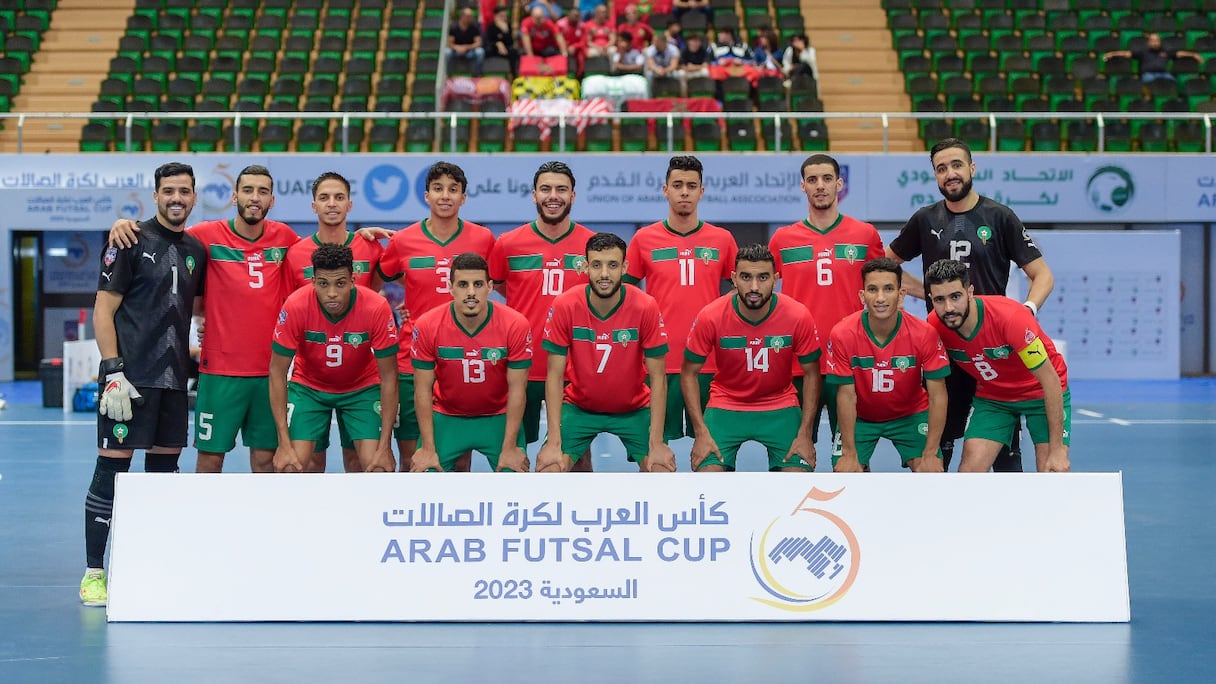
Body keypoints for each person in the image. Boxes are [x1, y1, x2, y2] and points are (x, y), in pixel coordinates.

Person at [108, 165, 301, 474]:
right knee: (210, 461)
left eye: (262, 191)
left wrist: (360, 235)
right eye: (248, 190)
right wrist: (123, 224)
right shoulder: (204, 237)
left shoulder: (286, 238)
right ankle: (207, 523)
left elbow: (321, 256)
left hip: (269, 373)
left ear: (272, 200)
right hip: (219, 372)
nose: (255, 198)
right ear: (235, 195)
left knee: (266, 460)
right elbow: (162, 233)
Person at [885, 137, 1054, 472]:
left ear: (972, 168)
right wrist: (928, 296)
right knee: (936, 449)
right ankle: (938, 520)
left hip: (996, 350)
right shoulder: (925, 220)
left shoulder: (999, 217)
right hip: (945, 349)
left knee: (1006, 461)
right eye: (942, 168)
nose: (950, 174)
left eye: (957, 165)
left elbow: (1043, 275)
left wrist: (1026, 310)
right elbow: (885, 267)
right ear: (935, 175)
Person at [81, 162, 207, 607]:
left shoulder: (197, 248)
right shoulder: (128, 240)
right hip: (128, 383)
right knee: (111, 472)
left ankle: (155, 568)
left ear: (194, 197)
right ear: (155, 195)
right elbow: (103, 311)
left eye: (185, 191)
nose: (177, 198)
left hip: (174, 384)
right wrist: (113, 371)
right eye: (169, 190)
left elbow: (199, 310)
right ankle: (95, 572)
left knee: (162, 480)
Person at [376, 161, 495, 472]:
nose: (445, 196)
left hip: (463, 357)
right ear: (426, 195)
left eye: (453, 190)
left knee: (458, 458)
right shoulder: (403, 240)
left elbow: (497, 286)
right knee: (411, 457)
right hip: (412, 358)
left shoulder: (483, 239)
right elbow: (379, 277)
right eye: (438, 189)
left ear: (463, 197)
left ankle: (455, 517)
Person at [769, 154, 883, 451]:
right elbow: (756, 292)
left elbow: (887, 285)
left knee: (853, 456)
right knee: (794, 456)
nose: (820, 186)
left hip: (850, 361)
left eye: (827, 179)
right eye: (812, 180)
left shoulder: (865, 235)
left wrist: (929, 293)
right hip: (797, 362)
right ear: (802, 186)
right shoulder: (782, 239)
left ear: (839, 184)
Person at [536, 232, 675, 473]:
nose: (604, 274)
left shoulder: (645, 306)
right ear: (585, 267)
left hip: (634, 409)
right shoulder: (565, 305)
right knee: (550, 468)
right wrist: (554, 442)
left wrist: (657, 442)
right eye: (596, 265)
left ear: (624, 268)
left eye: (612, 265)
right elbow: (555, 376)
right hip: (579, 408)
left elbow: (659, 379)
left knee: (661, 469)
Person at [624, 156, 737, 448]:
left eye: (691, 185)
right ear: (665, 190)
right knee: (652, 454)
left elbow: (744, 295)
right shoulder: (643, 239)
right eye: (677, 185)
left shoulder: (722, 240)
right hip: (659, 362)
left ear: (702, 191)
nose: (684, 191)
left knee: (714, 452)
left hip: (710, 363)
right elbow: (623, 299)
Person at [488, 161, 596, 467]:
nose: (553, 196)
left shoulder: (591, 245)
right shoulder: (508, 244)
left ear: (573, 195)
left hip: (573, 369)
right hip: (521, 367)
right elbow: (496, 286)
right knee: (512, 455)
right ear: (534, 195)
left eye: (561, 189)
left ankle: (583, 512)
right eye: (546, 189)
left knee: (574, 456)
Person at [681, 244, 821, 472]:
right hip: (726, 403)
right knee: (707, 478)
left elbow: (812, 373)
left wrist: (805, 434)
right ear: (734, 278)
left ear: (775, 279)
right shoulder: (711, 316)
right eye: (746, 277)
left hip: (780, 404)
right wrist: (701, 433)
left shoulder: (797, 315)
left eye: (763, 277)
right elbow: (688, 372)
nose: (754, 286)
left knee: (797, 482)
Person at [924, 259, 1070, 473]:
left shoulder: (1010, 319)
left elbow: (1049, 381)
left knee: (1052, 471)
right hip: (994, 399)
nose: (949, 308)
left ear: (970, 291)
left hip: (1039, 393)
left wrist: (1057, 450)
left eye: (955, 297)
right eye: (939, 299)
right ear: (931, 299)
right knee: (969, 473)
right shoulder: (936, 326)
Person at [284, 171, 384, 473]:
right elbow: (290, 306)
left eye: (339, 197)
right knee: (310, 461)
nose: (332, 204)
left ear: (349, 205)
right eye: (324, 198)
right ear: (313, 205)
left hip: (360, 373)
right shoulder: (294, 253)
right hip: (311, 374)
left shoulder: (370, 247)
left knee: (357, 460)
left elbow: (378, 294)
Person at [269, 244, 399, 474]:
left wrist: (385, 445)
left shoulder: (376, 307)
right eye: (323, 284)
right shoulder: (296, 305)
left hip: (361, 388)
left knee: (377, 467)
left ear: (353, 280)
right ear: (313, 281)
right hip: (309, 388)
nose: (331, 293)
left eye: (340, 283)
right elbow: (277, 373)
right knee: (290, 466)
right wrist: (283, 443)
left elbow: (389, 377)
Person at [410, 253, 533, 473]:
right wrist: (428, 448)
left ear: (490, 287)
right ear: (450, 287)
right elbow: (422, 389)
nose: (471, 293)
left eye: (478, 284)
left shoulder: (515, 324)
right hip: (447, 417)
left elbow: (518, 389)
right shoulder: (428, 325)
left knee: (514, 477)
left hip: (498, 417)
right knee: (425, 478)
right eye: (463, 284)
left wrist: (510, 447)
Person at [825, 258, 949, 473]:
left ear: (901, 295)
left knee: (930, 472)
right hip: (861, 418)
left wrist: (930, 453)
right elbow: (846, 396)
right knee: (845, 472)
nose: (880, 298)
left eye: (889, 289)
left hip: (911, 415)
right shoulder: (842, 334)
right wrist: (849, 453)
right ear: (862, 296)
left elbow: (938, 396)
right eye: (873, 289)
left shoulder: (924, 333)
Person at [1103, 32, 1204, 84]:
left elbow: (1179, 53)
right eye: (1153, 40)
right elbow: (1126, 53)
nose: (1155, 42)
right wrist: (1112, 54)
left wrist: (1193, 55)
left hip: (1163, 74)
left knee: (1173, 82)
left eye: (1157, 40)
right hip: (1149, 75)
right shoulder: (1142, 52)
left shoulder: (1166, 51)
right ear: (1149, 42)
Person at [447, 7, 485, 76]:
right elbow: (449, 43)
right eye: (468, 16)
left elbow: (478, 43)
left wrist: (466, 47)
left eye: (471, 16)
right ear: (462, 16)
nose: (470, 18)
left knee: (480, 52)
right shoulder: (454, 27)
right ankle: (448, 75)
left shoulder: (474, 27)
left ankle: (477, 75)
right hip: (456, 51)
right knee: (447, 52)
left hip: (470, 51)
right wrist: (457, 47)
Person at [485, 5, 519, 76]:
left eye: (505, 16)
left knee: (514, 52)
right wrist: (497, 44)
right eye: (501, 16)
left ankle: (514, 76)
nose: (504, 18)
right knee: (486, 50)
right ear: (495, 16)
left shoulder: (507, 26)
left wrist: (505, 31)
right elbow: (487, 42)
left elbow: (510, 42)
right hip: (494, 50)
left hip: (505, 50)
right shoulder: (491, 26)